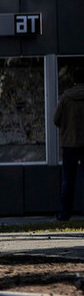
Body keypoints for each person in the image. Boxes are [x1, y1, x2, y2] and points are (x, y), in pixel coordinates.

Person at [54, 66, 84, 221]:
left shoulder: (66, 97)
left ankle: (65, 213)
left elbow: (56, 119)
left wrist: (66, 127)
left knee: (68, 180)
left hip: (69, 144)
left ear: (73, 80)